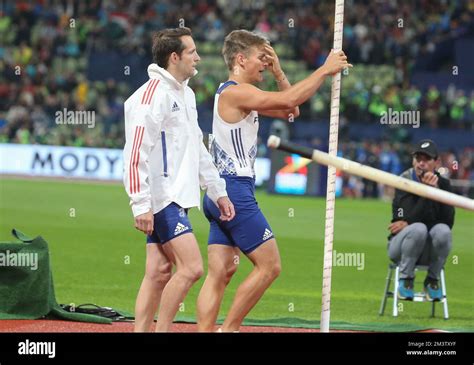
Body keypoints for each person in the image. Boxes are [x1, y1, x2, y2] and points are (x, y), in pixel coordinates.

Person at [196, 29, 352, 332]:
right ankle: (228, 329)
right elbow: (291, 98)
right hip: (234, 191)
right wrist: (325, 68)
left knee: (221, 273)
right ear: (241, 59)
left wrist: (280, 70)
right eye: (260, 59)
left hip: (218, 193)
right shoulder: (236, 93)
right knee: (270, 267)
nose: (264, 65)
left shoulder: (236, 94)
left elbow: (291, 110)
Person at [123, 27, 235, 332]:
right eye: (192, 52)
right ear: (174, 57)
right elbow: (135, 153)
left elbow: (196, 146)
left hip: (177, 197)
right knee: (192, 268)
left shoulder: (185, 94)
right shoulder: (151, 97)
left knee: (159, 271)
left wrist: (217, 191)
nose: (198, 57)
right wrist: (140, 204)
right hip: (162, 198)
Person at [387, 139, 455, 301]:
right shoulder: (404, 181)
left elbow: (447, 223)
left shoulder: (444, 184)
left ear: (437, 162)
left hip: (427, 250)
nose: (421, 164)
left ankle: (432, 280)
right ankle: (406, 280)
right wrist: (427, 193)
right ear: (413, 160)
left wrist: (435, 192)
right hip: (401, 248)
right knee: (418, 229)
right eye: (418, 159)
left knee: (443, 231)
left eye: (426, 160)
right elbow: (406, 219)